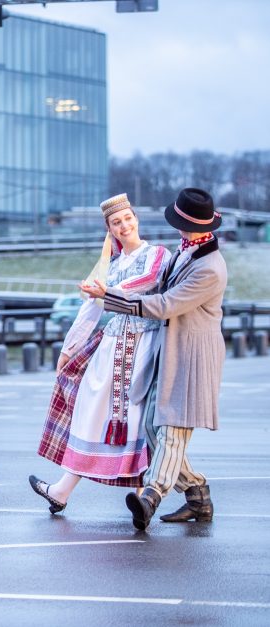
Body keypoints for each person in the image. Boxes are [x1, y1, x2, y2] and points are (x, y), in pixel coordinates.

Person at [84, 188, 226, 531]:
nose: (176, 229)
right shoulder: (188, 251)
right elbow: (157, 291)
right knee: (152, 427)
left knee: (172, 432)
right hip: (172, 350)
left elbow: (165, 305)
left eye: (180, 223)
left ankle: (151, 496)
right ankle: (197, 495)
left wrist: (111, 298)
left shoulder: (210, 268)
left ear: (191, 227)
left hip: (193, 357)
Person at [29, 194, 171, 513]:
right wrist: (69, 348)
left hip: (143, 345)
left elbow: (148, 282)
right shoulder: (111, 263)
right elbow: (89, 310)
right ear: (109, 228)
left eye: (127, 218)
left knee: (134, 419)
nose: (124, 225)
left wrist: (106, 292)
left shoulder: (157, 254)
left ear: (136, 219)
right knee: (93, 414)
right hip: (110, 347)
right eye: (116, 222)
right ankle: (65, 490)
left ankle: (139, 494)